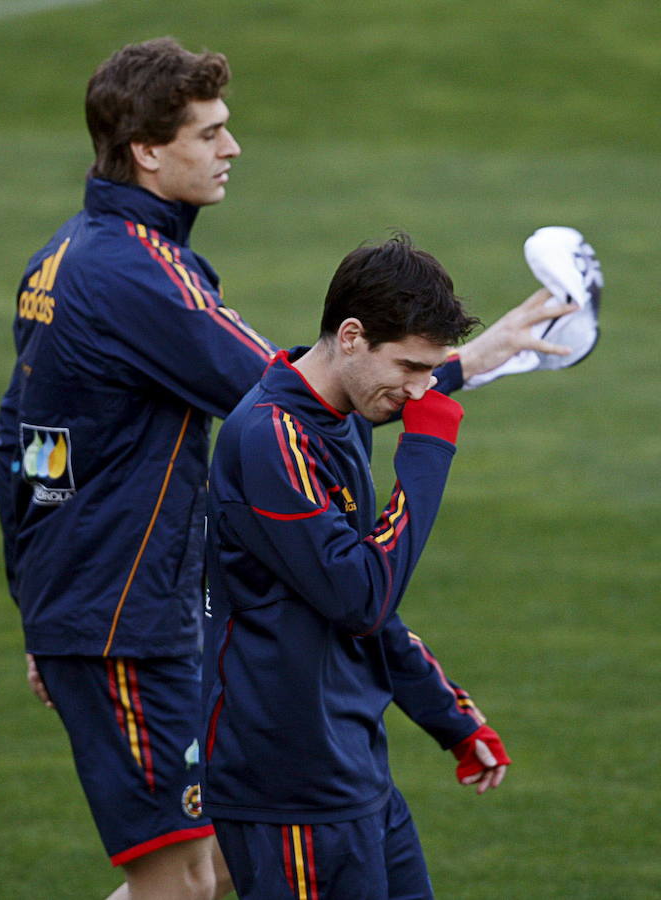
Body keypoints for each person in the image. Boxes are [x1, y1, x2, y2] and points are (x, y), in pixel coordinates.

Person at [0, 36, 577, 900]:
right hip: (126, 616)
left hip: (101, 605)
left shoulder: (64, 257)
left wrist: (42, 604)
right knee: (190, 876)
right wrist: (461, 368)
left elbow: (26, 447)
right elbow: (287, 393)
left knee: (224, 852)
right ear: (148, 152)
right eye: (209, 133)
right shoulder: (139, 275)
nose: (231, 149)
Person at [202, 234, 512, 900]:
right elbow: (361, 596)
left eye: (433, 372)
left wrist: (448, 716)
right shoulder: (269, 439)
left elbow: (364, 608)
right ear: (350, 337)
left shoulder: (337, 421)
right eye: (410, 367)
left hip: (350, 767)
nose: (422, 393)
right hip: (287, 779)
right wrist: (427, 455)